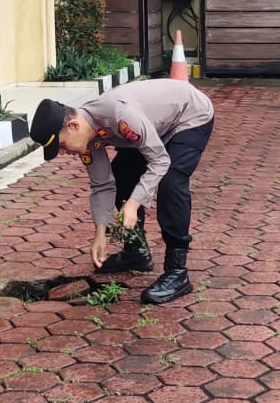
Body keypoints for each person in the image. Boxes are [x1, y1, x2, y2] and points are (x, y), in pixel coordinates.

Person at [29, 79, 214, 304]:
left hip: (189, 115)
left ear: (73, 126)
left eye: (61, 145)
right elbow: (102, 185)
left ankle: (177, 271)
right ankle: (136, 252)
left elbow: (159, 161)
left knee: (171, 181)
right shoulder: (87, 135)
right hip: (153, 126)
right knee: (121, 175)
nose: (63, 152)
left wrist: (134, 203)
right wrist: (100, 234)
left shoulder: (120, 115)